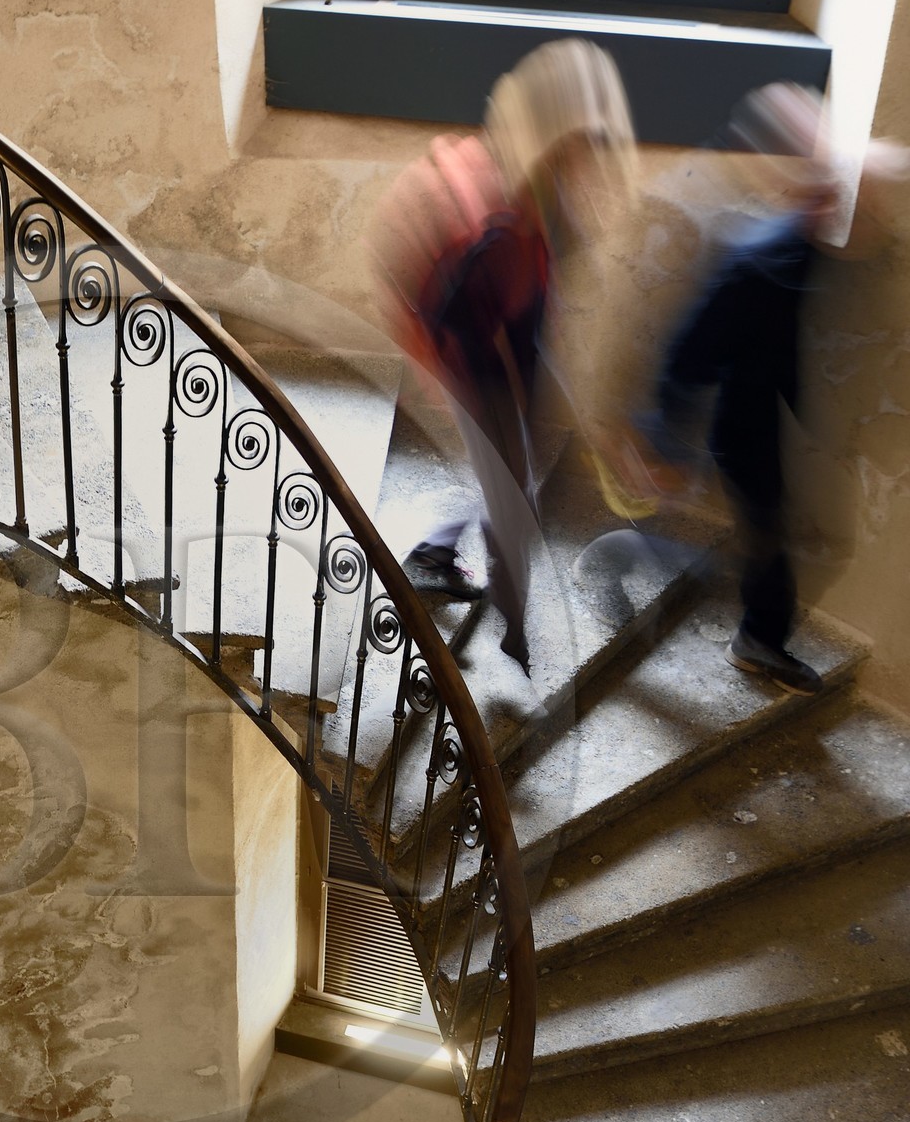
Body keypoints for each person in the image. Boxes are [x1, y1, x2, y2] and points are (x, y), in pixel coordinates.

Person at [372, 40, 636, 675]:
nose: (589, 172)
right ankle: (514, 635)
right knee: (513, 502)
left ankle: (435, 556)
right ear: (555, 157)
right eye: (578, 157)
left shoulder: (553, 219)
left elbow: (537, 321)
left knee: (511, 483)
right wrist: (480, 396)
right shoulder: (501, 235)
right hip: (473, 371)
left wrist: (550, 402)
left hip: (499, 365)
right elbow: (460, 324)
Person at [639, 83, 899, 695]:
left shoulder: (813, 250)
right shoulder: (760, 261)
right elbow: (691, 350)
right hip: (743, 428)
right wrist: (664, 440)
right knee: (764, 532)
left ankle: (749, 627)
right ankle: (748, 633)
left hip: (769, 421)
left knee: (767, 530)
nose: (874, 218)